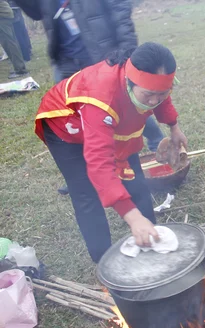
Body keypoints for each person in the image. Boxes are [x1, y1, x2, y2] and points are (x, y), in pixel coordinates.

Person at [34, 42, 187, 263]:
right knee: (86, 193)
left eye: (160, 94)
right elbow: (100, 165)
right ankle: (104, 262)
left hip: (107, 121)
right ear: (129, 82)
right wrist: (132, 217)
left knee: (135, 179)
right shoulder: (101, 98)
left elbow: (159, 94)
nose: (154, 101)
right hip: (66, 125)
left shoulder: (146, 84)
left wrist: (174, 127)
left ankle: (153, 238)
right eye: (148, 95)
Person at [14, 0, 164, 154]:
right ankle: (100, 158)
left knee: (125, 105)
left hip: (101, 55)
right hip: (66, 61)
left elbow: (120, 8)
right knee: (75, 113)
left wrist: (127, 50)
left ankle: (158, 143)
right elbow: (37, 13)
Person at [0, 0, 28, 79]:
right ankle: (19, 68)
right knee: (9, 43)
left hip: (2, 16)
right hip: (5, 15)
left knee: (10, 44)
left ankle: (20, 70)